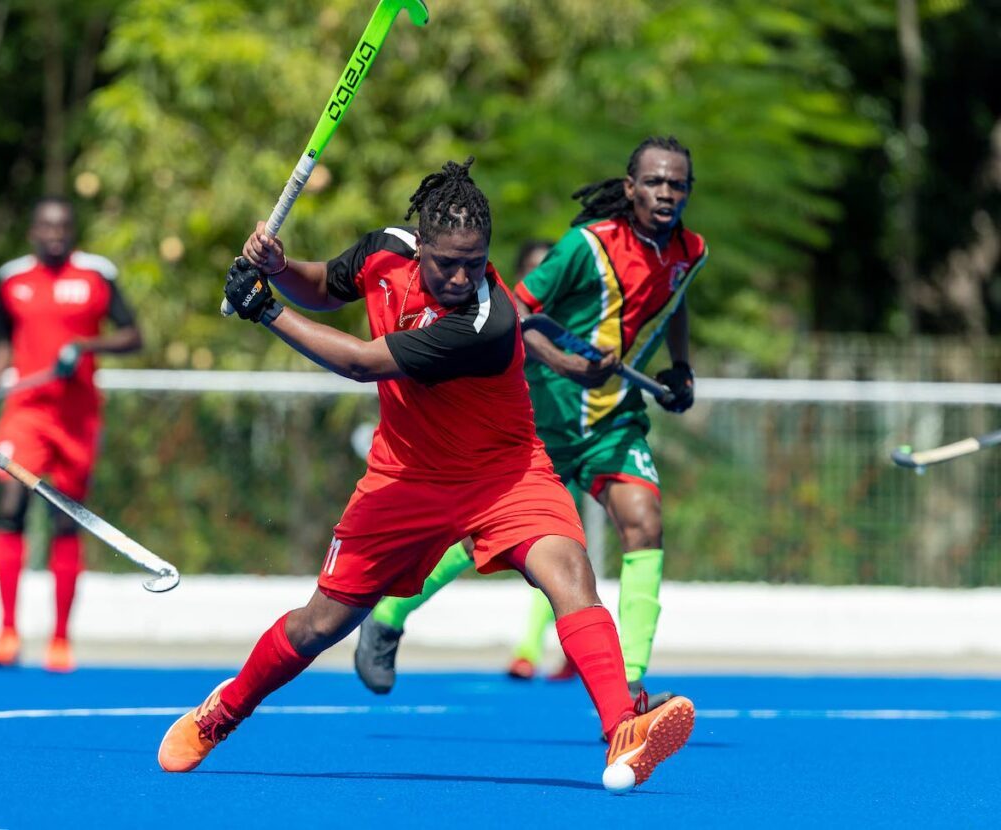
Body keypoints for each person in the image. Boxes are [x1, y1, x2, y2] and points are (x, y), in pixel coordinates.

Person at [156, 158, 695, 789]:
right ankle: (223, 712)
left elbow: (360, 363)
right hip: (403, 479)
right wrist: (278, 271)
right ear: (422, 249)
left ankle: (621, 727)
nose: (463, 275)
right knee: (319, 625)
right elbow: (325, 286)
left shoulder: (487, 321)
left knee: (570, 572)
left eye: (476, 260)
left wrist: (264, 310)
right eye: (447, 262)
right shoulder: (386, 251)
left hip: (505, 472)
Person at [355, 137, 707, 706]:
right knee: (481, 540)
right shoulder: (586, 248)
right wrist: (567, 364)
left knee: (644, 522)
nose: (667, 193)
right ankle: (389, 615)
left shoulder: (691, 250)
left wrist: (682, 366)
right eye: (655, 182)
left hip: (614, 419)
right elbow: (509, 313)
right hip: (544, 414)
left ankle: (633, 682)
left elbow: (678, 296)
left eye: (677, 184)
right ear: (629, 188)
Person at [0, 196, 142, 672]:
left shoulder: (96, 276)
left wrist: (86, 345)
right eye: (47, 227)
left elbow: (134, 336)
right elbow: (6, 342)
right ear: (32, 231)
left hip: (78, 417)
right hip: (25, 413)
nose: (55, 235)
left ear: (73, 231)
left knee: (66, 520)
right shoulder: (11, 280)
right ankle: (7, 632)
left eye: (63, 227)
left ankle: (60, 639)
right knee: (13, 505)